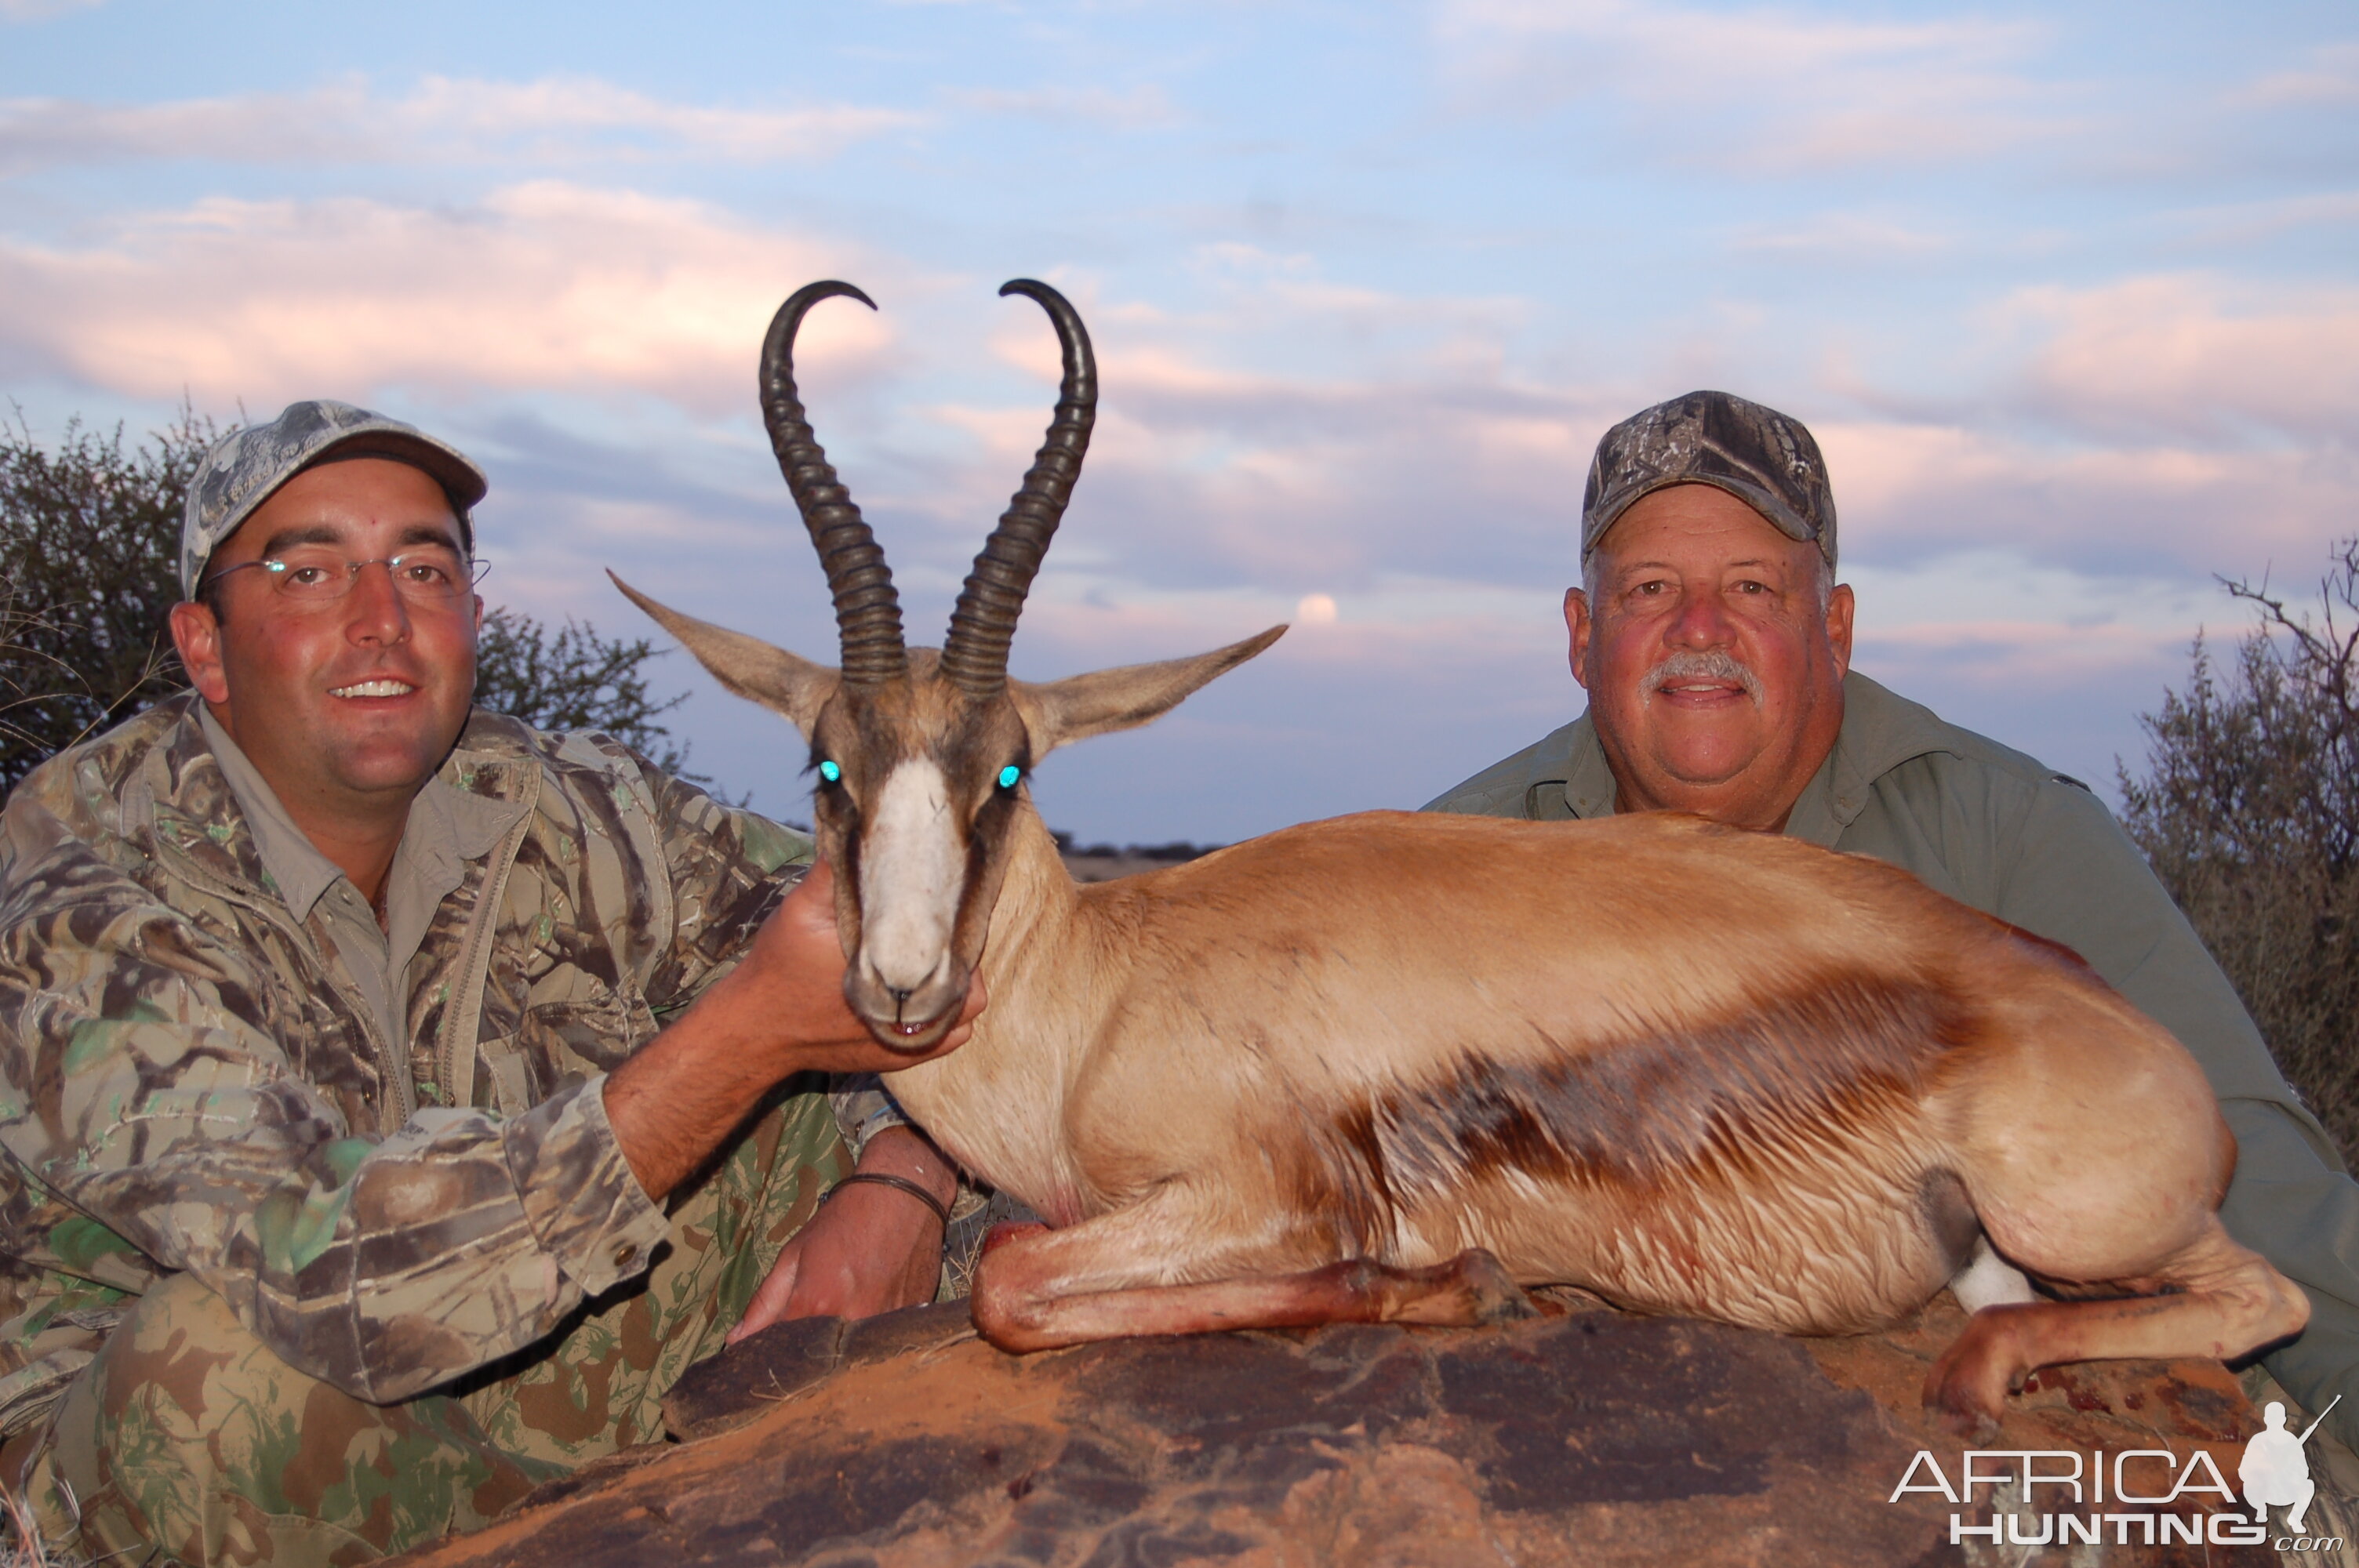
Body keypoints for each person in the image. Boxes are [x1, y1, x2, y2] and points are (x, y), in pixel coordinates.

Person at [0, 401, 976, 1565]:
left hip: (508, 1393)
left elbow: (901, 941)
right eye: (308, 572)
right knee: (211, 1367)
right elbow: (323, 1272)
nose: (380, 620)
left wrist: (907, 1176)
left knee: (919, 1134)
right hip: (211, 1459)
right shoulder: (70, 874)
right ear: (204, 646)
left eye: (424, 567)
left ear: (472, 614)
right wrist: (745, 1040)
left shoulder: (572, 802)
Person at [1425, 389, 2359, 1458]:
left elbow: (2279, 1211)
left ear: (1836, 627)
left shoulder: (2007, 837)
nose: (1699, 631)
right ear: (1584, 636)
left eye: (1752, 587)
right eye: (1650, 589)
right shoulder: (1467, 856)